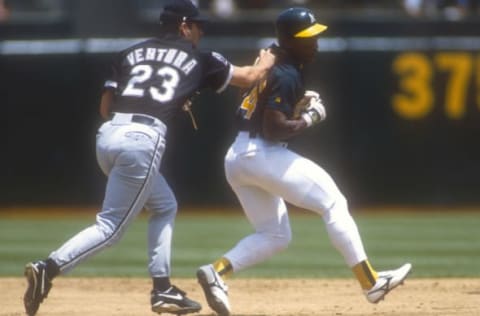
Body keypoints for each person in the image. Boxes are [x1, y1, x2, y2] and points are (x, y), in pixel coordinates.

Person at [22, 1, 275, 315]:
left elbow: (105, 108)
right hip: (142, 141)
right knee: (110, 227)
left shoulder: (129, 53)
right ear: (184, 26)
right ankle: (49, 268)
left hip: (108, 136)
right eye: (198, 26)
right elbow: (251, 77)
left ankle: (163, 290)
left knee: (164, 205)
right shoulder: (201, 57)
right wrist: (269, 58)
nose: (201, 31)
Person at [196, 7, 412, 316]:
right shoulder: (287, 72)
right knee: (335, 203)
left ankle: (217, 272)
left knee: (274, 235)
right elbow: (273, 128)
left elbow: (259, 106)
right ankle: (371, 282)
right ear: (289, 41)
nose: (316, 42)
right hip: (262, 153)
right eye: (307, 38)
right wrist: (310, 117)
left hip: (237, 158)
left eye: (315, 36)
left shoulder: (272, 60)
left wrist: (292, 101)